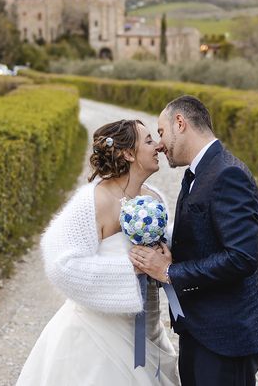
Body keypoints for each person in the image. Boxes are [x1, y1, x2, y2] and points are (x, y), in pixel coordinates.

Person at [16, 119, 181, 386]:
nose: (158, 146)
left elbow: (162, 255)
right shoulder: (92, 201)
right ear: (128, 154)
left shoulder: (155, 199)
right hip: (98, 334)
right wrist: (132, 269)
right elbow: (62, 265)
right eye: (149, 141)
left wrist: (165, 259)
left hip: (148, 326)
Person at [130, 95, 258, 386]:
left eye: (161, 132)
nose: (159, 144)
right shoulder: (199, 172)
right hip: (201, 329)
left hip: (226, 337)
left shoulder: (228, 173)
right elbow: (205, 240)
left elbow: (241, 257)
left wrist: (170, 272)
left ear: (180, 123)